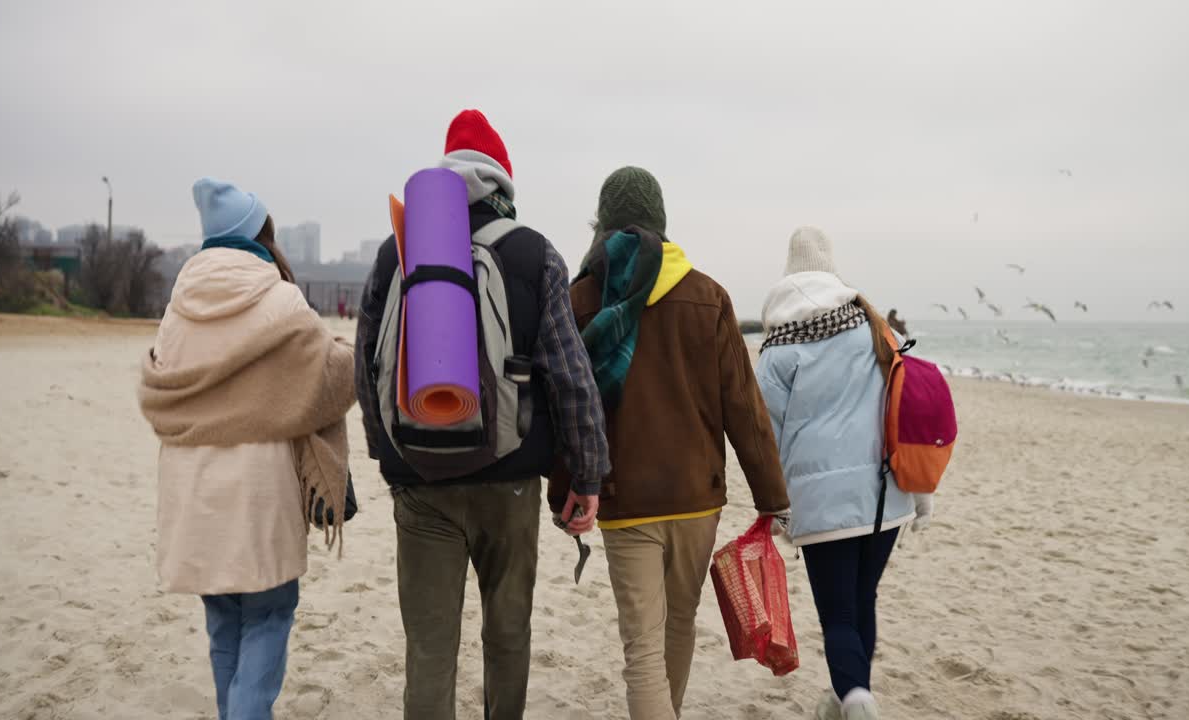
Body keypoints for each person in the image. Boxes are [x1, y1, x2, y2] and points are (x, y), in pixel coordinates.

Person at [355, 110, 610, 720]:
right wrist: (589, 474)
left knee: (430, 647)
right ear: (503, 183)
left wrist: (386, 454)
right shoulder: (534, 253)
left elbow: (365, 366)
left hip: (420, 481)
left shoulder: (398, 253)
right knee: (508, 634)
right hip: (510, 478)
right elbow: (571, 375)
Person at [548, 167, 791, 720]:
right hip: (696, 496)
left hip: (622, 496)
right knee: (678, 624)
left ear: (603, 226)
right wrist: (771, 495)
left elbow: (567, 406)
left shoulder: (582, 297)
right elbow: (744, 410)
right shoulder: (709, 296)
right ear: (662, 223)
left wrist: (563, 489)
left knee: (642, 646)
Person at [139, 178, 355, 720]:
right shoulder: (280, 300)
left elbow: (159, 386)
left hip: (191, 486)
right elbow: (331, 379)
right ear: (263, 236)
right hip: (260, 489)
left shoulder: (177, 310)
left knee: (222, 622)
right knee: (269, 615)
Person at [754, 227, 933, 720]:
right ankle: (847, 698)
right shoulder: (877, 328)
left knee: (838, 615)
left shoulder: (779, 345)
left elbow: (762, 432)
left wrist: (773, 505)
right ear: (832, 268)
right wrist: (921, 494)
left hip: (820, 504)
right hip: (885, 497)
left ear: (789, 269)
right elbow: (907, 410)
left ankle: (855, 700)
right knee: (862, 599)